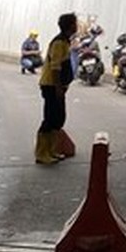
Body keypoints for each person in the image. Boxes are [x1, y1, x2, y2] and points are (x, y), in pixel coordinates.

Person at [35, 13, 76, 165]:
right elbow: (55, 67)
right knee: (50, 118)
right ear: (70, 26)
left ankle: (51, 150)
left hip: (57, 86)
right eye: (75, 23)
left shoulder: (65, 41)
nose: (77, 26)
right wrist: (59, 87)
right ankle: (41, 153)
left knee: (58, 119)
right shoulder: (59, 42)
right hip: (51, 85)